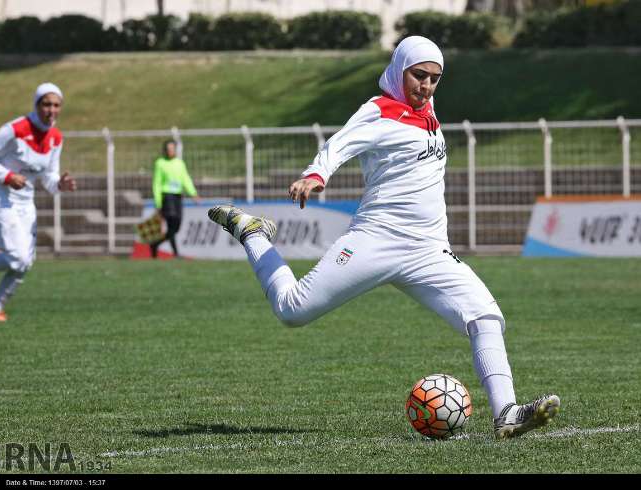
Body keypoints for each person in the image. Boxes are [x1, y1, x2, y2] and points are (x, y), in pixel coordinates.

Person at [208, 36, 560, 439]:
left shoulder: (427, 110)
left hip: (429, 251)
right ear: (398, 69)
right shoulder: (379, 110)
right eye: (418, 75)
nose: (425, 85)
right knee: (292, 310)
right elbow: (339, 143)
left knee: (486, 316)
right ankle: (253, 233)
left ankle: (507, 413)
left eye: (434, 78)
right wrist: (315, 174)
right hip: (376, 240)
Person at [0, 82, 77, 322]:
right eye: (46, 104)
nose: (51, 110)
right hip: (0, 196)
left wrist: (59, 184)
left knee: (24, 263)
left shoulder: (56, 137)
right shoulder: (15, 128)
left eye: (56, 105)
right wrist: (8, 177)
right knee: (18, 257)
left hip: (25, 202)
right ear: (36, 104)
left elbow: (50, 175)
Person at [150, 140, 199, 258]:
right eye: (168, 149)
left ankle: (155, 244)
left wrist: (193, 193)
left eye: (172, 149)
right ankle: (176, 254)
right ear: (165, 150)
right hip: (167, 196)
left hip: (177, 197)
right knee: (171, 223)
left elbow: (185, 179)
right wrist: (158, 202)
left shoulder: (180, 163)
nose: (170, 151)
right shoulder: (160, 163)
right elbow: (156, 183)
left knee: (176, 227)